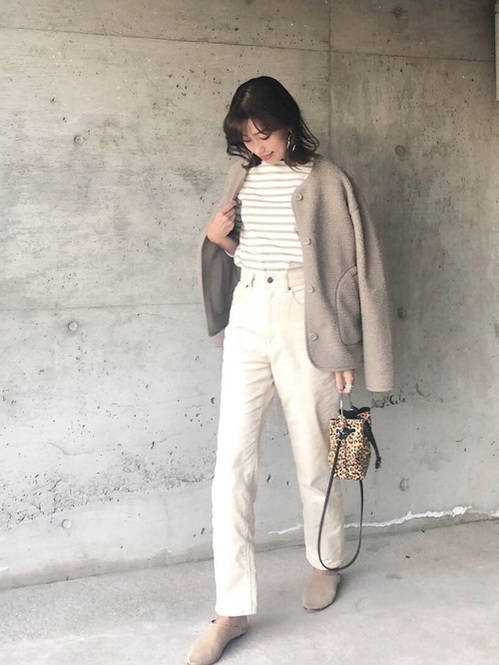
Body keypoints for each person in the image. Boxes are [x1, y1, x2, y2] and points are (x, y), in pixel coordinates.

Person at [188, 76, 393, 665]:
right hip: (249, 315)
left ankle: (325, 561)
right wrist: (216, 240)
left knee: (314, 456)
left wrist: (344, 349)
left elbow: (352, 269)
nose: (260, 147)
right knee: (231, 466)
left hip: (307, 321)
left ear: (288, 123)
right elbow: (248, 250)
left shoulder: (327, 180)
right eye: (249, 139)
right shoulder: (243, 175)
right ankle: (231, 610)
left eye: (266, 134)